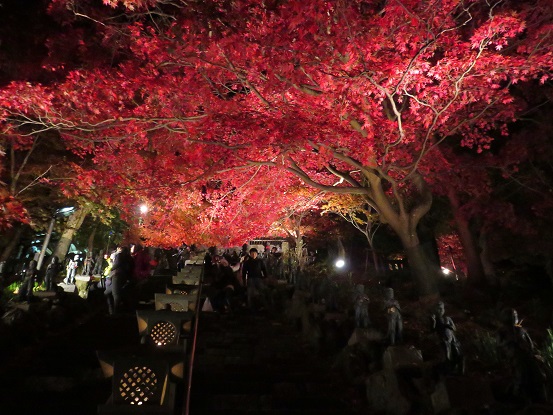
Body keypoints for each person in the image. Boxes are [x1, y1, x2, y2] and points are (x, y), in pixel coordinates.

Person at [430, 301, 464, 375]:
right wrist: (433, 321)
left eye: (441, 309)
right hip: (444, 341)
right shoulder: (436, 320)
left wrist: (448, 326)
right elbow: (432, 330)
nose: (440, 311)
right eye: (438, 309)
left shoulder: (447, 318)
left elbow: (454, 328)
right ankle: (447, 372)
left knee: (458, 356)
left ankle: (459, 372)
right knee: (447, 357)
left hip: (453, 340)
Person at [104, 246, 134, 315]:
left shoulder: (119, 255)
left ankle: (115, 312)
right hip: (124, 277)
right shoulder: (131, 258)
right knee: (108, 293)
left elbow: (116, 265)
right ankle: (112, 311)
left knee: (115, 295)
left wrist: (111, 268)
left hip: (117, 276)